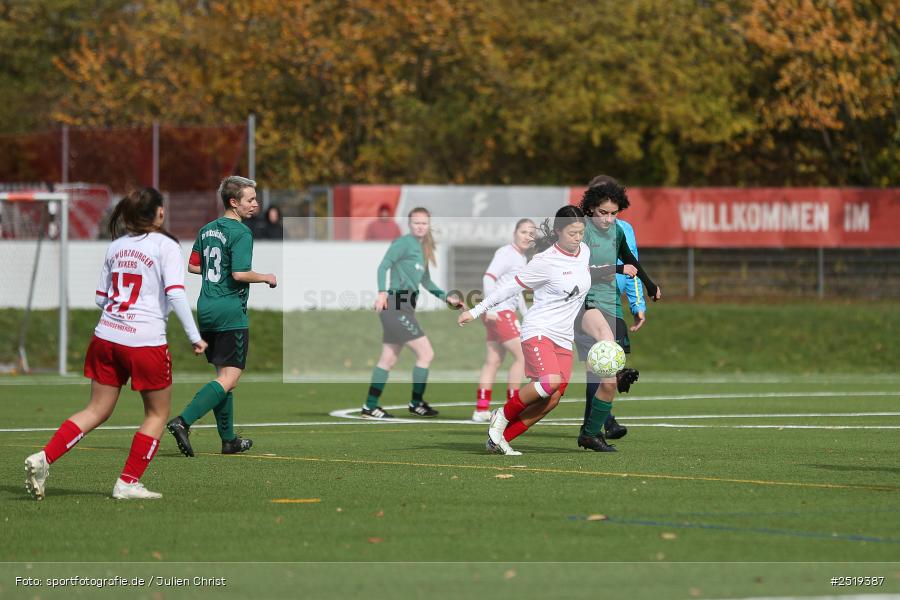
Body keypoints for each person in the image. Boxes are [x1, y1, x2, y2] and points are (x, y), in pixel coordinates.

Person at [24, 188, 207, 500]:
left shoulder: (116, 246)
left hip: (106, 336)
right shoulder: (167, 246)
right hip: (145, 341)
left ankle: (44, 457)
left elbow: (101, 298)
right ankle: (127, 482)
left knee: (96, 409)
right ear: (159, 213)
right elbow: (175, 293)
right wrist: (194, 336)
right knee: (157, 414)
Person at [458, 206, 591, 455]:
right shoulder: (544, 261)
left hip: (564, 338)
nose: (577, 238)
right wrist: (476, 311)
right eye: (572, 233)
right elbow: (508, 288)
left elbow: (585, 272)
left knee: (553, 398)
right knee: (549, 382)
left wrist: (619, 269)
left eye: (581, 232)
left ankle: (501, 439)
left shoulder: (584, 251)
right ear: (558, 231)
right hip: (539, 330)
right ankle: (501, 413)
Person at [167, 176, 277, 457]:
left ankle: (229, 440)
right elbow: (239, 274)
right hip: (230, 311)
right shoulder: (242, 233)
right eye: (250, 199)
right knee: (230, 378)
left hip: (206, 309)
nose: (256, 204)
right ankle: (183, 421)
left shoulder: (206, 230)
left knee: (223, 377)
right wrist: (266, 277)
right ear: (233, 202)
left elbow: (193, 267)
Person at [575, 180, 661, 452]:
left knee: (605, 375)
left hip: (611, 303)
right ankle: (598, 425)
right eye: (603, 213)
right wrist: (617, 268)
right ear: (591, 208)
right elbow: (578, 273)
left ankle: (592, 432)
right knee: (604, 358)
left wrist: (649, 285)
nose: (609, 219)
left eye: (614, 213)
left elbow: (630, 259)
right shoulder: (581, 232)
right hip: (585, 302)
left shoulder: (617, 232)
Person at [363, 207, 462, 419]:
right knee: (426, 354)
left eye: (424, 223)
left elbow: (426, 281)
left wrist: (447, 298)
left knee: (388, 359)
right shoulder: (403, 243)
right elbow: (383, 266)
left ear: (429, 225)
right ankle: (416, 403)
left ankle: (370, 406)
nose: (420, 226)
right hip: (395, 305)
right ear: (409, 224)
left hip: (405, 307)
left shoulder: (423, 248)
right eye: (416, 223)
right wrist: (381, 293)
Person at [472, 218, 536, 422]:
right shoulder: (507, 253)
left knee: (493, 361)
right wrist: (491, 308)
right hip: (500, 313)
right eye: (523, 232)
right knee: (522, 357)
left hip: (499, 313)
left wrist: (527, 315)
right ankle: (512, 408)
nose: (527, 236)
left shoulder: (521, 258)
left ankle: (481, 409)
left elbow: (517, 292)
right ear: (515, 233)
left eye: (531, 233)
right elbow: (488, 278)